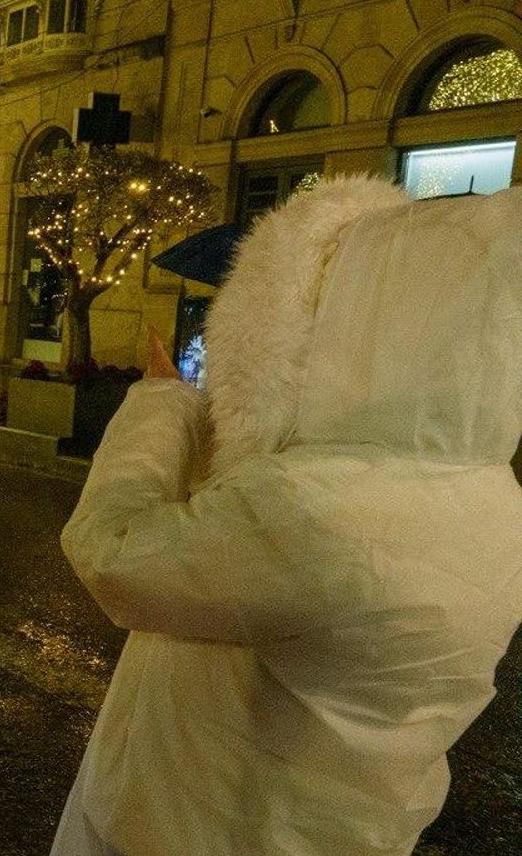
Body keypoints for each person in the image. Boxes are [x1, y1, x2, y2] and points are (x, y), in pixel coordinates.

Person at [52, 177, 522, 855]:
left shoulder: (315, 505)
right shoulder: (492, 497)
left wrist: (161, 404)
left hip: (202, 826)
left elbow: (113, 551)